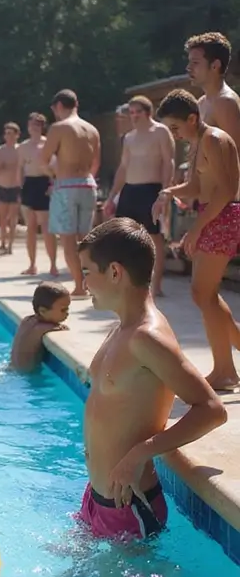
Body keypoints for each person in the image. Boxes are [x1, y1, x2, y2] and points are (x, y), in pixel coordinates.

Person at [76, 217, 226, 539]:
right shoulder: (122, 327)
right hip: (98, 496)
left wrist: (142, 452)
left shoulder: (148, 338)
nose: (82, 281)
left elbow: (212, 409)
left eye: (87, 271)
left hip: (129, 507)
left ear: (115, 272)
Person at [153, 89, 240, 390]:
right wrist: (169, 193)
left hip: (223, 216)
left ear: (192, 118)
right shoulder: (197, 142)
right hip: (212, 214)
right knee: (205, 294)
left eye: (175, 128)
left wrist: (197, 228)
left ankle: (226, 371)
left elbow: (227, 190)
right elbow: (195, 186)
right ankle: (228, 365)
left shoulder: (214, 139)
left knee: (202, 293)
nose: (174, 134)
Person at [104, 95, 175, 297]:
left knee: (153, 238)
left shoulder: (160, 132)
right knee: (125, 238)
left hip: (151, 190)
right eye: (131, 112)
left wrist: (165, 192)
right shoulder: (129, 137)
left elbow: (168, 162)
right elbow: (123, 167)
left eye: (138, 112)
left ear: (148, 112)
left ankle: (156, 285)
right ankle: (129, 283)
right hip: (130, 191)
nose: (134, 116)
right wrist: (111, 197)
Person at [42, 89, 100, 297]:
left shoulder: (59, 128)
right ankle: (93, 283)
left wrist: (55, 175)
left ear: (58, 106)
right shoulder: (92, 130)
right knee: (86, 239)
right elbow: (96, 163)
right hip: (88, 184)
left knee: (67, 239)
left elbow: (44, 158)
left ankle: (79, 285)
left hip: (66, 186)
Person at [17, 113, 58, 276]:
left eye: (37, 125)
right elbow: (20, 168)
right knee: (30, 227)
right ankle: (32, 264)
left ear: (42, 127)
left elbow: (55, 167)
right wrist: (19, 188)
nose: (34, 128)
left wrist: (53, 184)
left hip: (44, 182)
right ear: (28, 127)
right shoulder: (23, 147)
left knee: (46, 226)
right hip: (29, 184)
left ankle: (53, 265)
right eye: (31, 124)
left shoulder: (47, 144)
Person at [186, 31, 240, 149]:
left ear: (215, 65)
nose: (189, 67)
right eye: (189, 62)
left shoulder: (225, 103)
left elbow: (235, 154)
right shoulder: (201, 103)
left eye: (195, 62)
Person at [9, 282, 70, 373]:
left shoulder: (27, 320)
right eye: (63, 310)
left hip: (12, 368)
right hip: (25, 374)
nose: (67, 313)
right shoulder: (42, 328)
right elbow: (63, 329)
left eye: (68, 308)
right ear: (43, 311)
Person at [0, 122, 22, 254]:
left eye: (11, 133)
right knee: (3, 217)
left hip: (16, 186)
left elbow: (24, 168)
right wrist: (1, 166)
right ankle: (3, 242)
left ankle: (10, 244)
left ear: (17, 135)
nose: (8, 136)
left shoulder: (20, 150)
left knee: (13, 217)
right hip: (3, 185)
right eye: (6, 133)